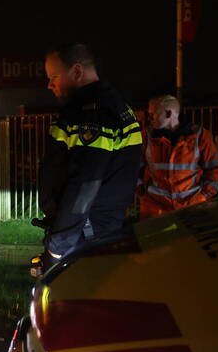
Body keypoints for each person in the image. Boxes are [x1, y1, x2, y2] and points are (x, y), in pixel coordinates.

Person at [38, 44, 142, 269]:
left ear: (76, 71)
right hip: (89, 231)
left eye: (54, 76)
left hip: (84, 236)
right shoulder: (109, 105)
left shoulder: (91, 114)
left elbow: (86, 184)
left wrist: (57, 248)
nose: (49, 85)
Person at [139, 95, 218, 218]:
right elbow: (133, 168)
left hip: (191, 208)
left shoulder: (200, 136)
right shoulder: (146, 136)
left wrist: (202, 197)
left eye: (153, 114)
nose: (149, 118)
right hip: (155, 209)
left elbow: (215, 170)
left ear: (168, 114)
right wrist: (141, 193)